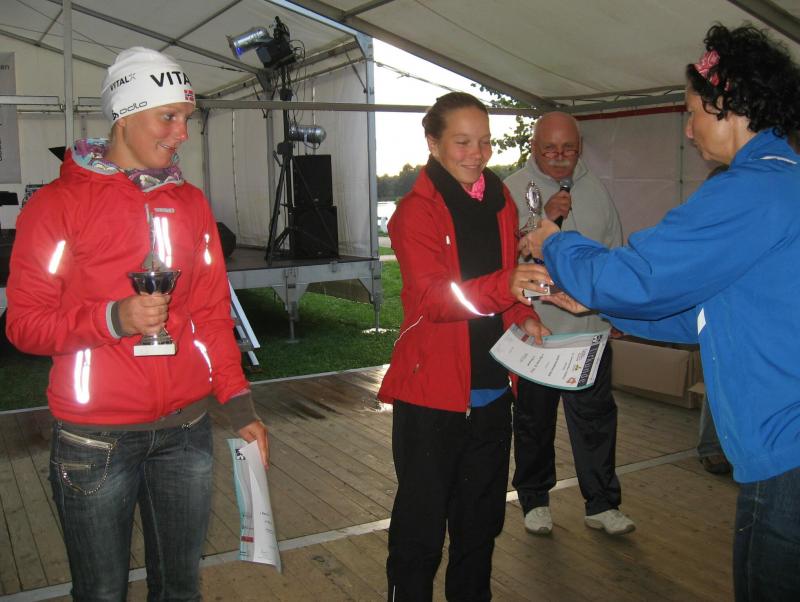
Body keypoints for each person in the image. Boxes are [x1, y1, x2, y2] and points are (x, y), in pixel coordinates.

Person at [517, 24, 800, 602]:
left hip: (785, 448)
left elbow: (641, 275)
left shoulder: (749, 190)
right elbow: (709, 312)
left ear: (728, 104)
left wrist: (554, 243)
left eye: (692, 112)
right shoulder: (784, 180)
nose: (688, 129)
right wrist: (601, 303)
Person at [5, 47, 269, 601]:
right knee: (101, 593)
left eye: (186, 119)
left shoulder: (191, 204)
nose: (182, 134)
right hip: (93, 439)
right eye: (168, 117)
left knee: (180, 589)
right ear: (124, 115)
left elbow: (211, 313)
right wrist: (113, 318)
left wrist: (239, 403)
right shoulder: (56, 206)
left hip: (186, 431)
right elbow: (25, 324)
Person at [378, 91, 547, 601]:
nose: (477, 154)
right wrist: (507, 287)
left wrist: (524, 315)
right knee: (421, 528)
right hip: (432, 395)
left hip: (492, 388)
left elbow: (503, 281)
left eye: (485, 142)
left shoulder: (500, 200)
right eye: (462, 142)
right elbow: (436, 298)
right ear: (432, 143)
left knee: (481, 524)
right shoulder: (413, 214)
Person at [504, 112, 635, 537]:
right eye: (550, 149)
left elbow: (613, 254)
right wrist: (549, 219)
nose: (560, 157)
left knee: (597, 422)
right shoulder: (512, 190)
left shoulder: (596, 189)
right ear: (533, 147)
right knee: (534, 423)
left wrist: (614, 311)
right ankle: (534, 500)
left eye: (569, 149)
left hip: (590, 333)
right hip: (537, 331)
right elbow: (506, 263)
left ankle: (602, 504)